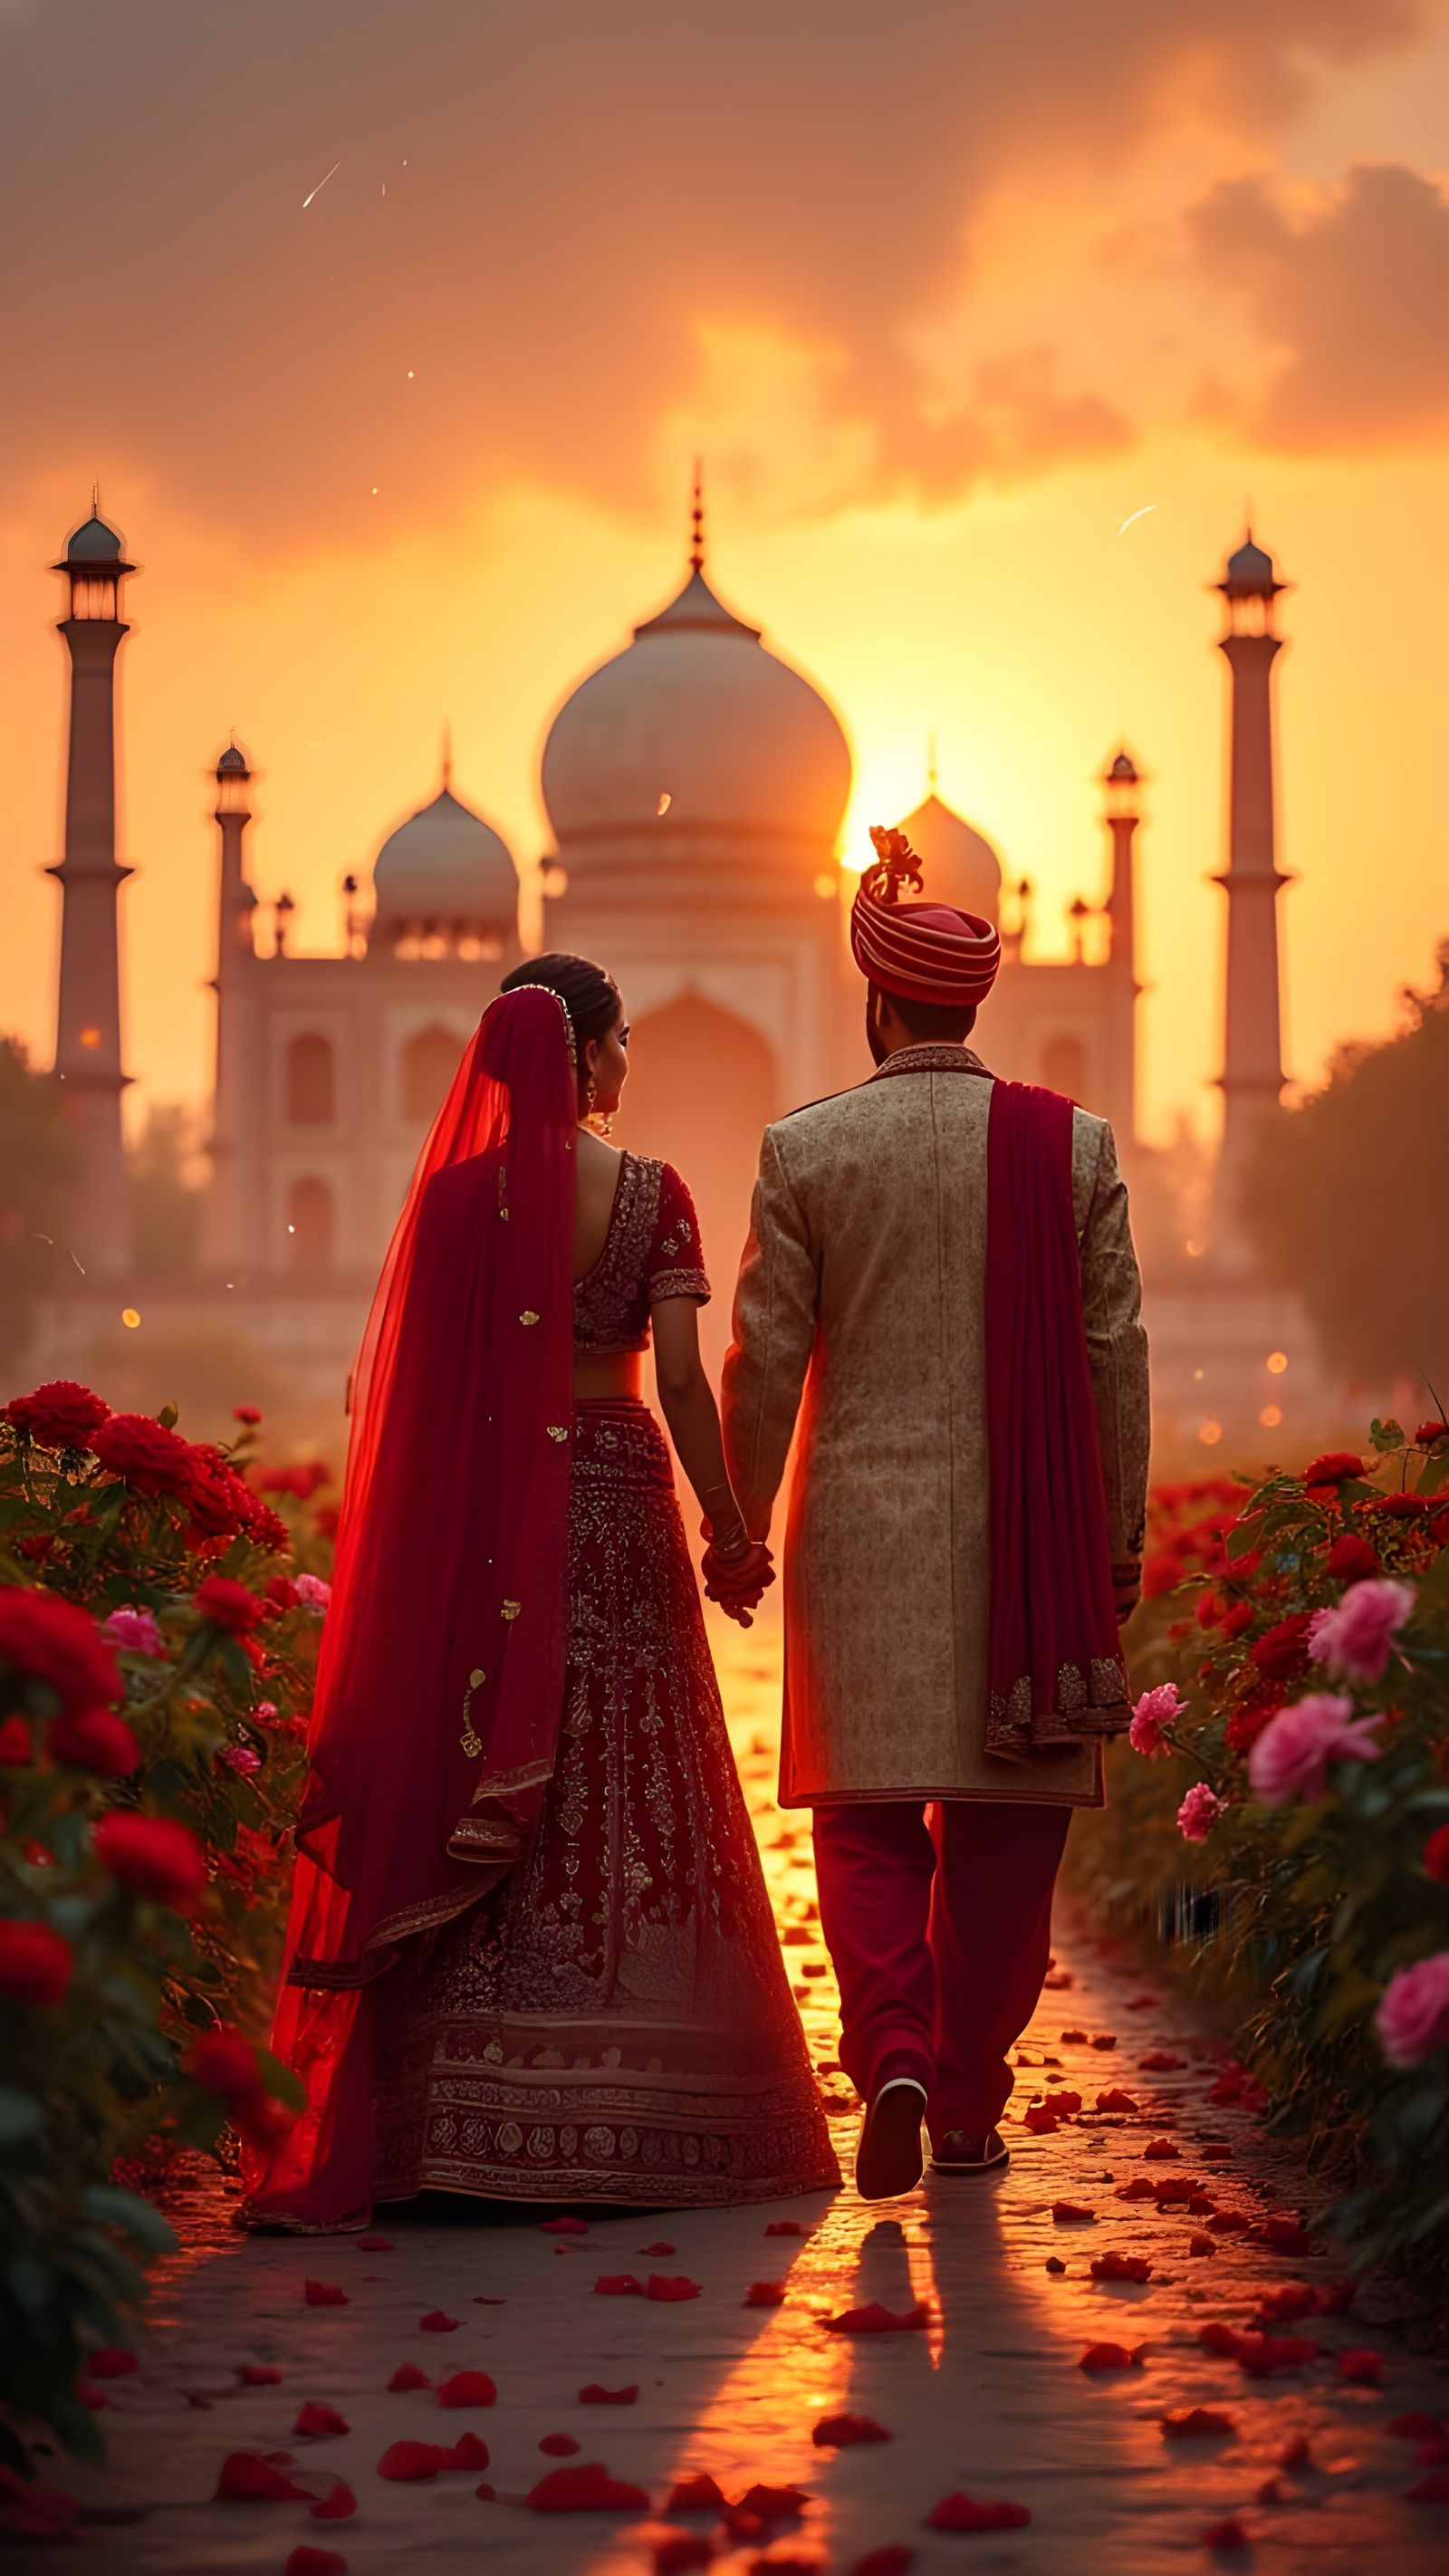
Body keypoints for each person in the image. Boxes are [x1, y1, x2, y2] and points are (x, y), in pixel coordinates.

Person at [245, 957, 837, 2227]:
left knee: (485, 1757)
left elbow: (414, 1394)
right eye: (619, 1043)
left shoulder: (454, 1201)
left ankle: (453, 2113)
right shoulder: (654, 1194)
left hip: (493, 1509)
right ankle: (646, 2103)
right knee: (627, 1755)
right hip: (618, 1492)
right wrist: (731, 1528)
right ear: (584, 1052)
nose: (628, 1064)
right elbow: (683, 1382)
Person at [722, 830, 1149, 2202]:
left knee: (863, 1825)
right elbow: (1114, 1355)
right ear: (973, 1003)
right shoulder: (1069, 1149)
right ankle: (963, 2104)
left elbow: (764, 1360)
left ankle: (895, 2051)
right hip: (1033, 1540)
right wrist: (1117, 1539)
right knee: (1006, 1839)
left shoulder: (808, 1150)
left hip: (861, 1541)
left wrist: (739, 1524)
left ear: (874, 1000)